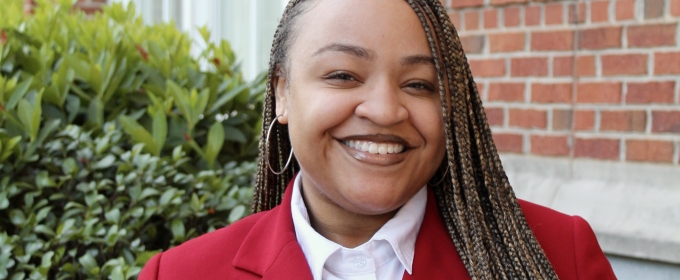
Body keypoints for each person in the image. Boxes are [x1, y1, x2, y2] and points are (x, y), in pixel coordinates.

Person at [139, 0, 617, 279]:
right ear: (283, 92)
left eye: (419, 85)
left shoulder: (558, 257)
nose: (386, 110)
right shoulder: (181, 275)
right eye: (344, 74)